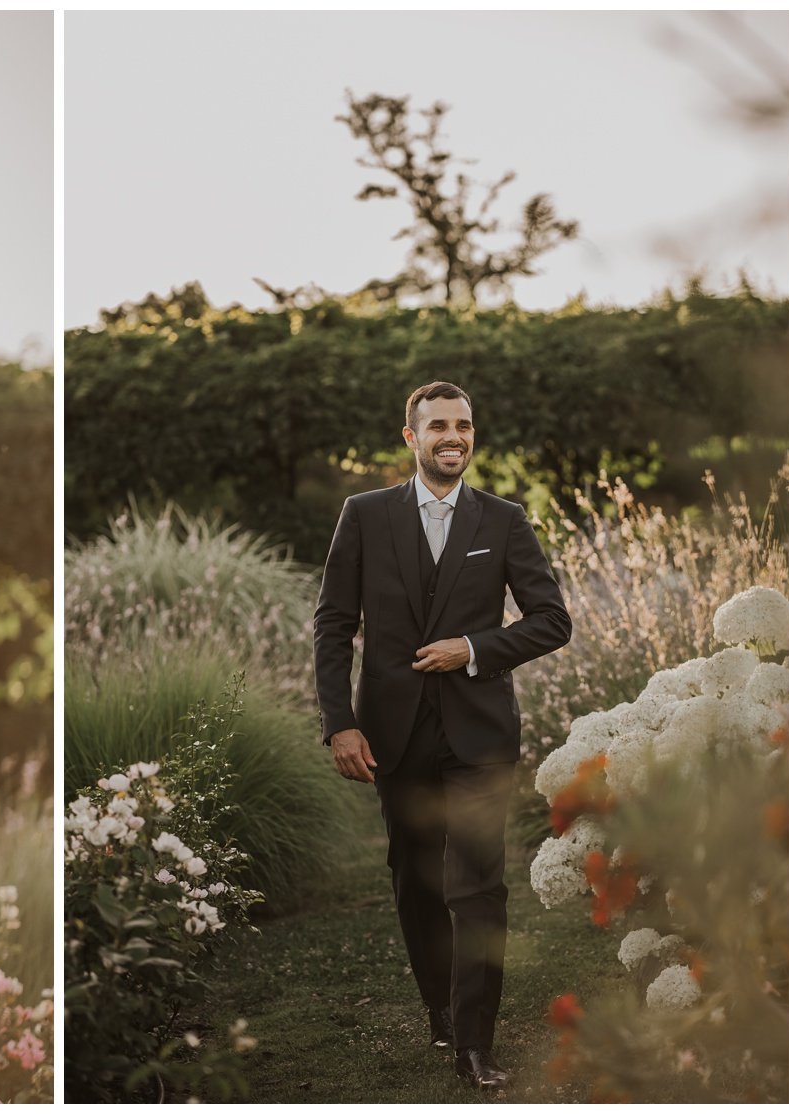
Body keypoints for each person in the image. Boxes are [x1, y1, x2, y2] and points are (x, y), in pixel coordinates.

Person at [310, 381, 572, 1092]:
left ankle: (475, 1044)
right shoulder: (363, 516)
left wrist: (474, 648)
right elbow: (333, 625)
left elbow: (552, 619)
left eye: (463, 426)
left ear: (471, 436)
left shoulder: (504, 519)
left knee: (480, 886)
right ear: (411, 438)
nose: (452, 437)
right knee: (415, 881)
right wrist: (341, 723)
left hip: (480, 733)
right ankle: (439, 1010)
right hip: (393, 734)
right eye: (438, 427)